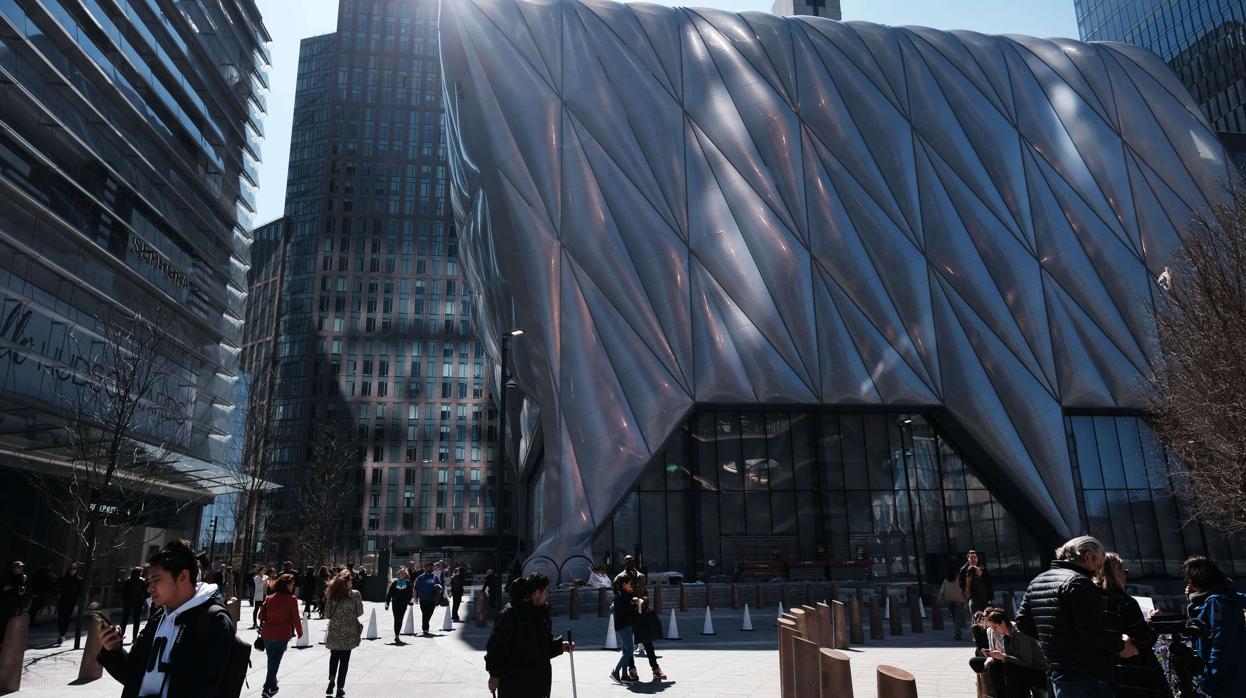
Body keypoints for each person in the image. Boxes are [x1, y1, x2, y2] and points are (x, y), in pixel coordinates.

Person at [96, 539, 235, 698]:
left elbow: (205, 689)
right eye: (149, 581)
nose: (149, 588)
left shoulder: (214, 621)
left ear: (183, 577)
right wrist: (113, 651)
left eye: (156, 580)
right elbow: (133, 676)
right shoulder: (158, 617)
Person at [1016, 536, 1138, 698]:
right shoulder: (1079, 583)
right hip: (1085, 673)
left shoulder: (1037, 581)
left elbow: (1022, 623)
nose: (1097, 572)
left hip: (1057, 671)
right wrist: (1122, 646)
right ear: (1088, 557)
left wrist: (1054, 639)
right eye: (1098, 565)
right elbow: (1090, 631)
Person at [484, 572, 574, 697]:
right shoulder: (510, 614)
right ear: (536, 593)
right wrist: (495, 675)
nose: (547, 595)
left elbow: (543, 646)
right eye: (545, 591)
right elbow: (495, 647)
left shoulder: (541, 613)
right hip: (515, 683)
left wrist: (560, 646)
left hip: (538, 682)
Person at [1092, 552, 1166, 697]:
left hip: (1103, 671)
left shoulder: (1091, 600)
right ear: (1115, 572)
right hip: (1134, 672)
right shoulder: (1124, 602)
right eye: (1123, 570)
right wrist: (1152, 622)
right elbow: (1145, 639)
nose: (1125, 575)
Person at [1183, 555, 1245, 697]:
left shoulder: (1217, 602)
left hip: (1226, 679)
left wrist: (1211, 674)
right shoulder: (1223, 597)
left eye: (1189, 578)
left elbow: (1221, 640)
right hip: (1231, 675)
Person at [970, 607, 1047, 698]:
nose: (993, 630)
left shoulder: (1020, 635)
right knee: (994, 665)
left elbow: (1027, 663)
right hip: (1019, 666)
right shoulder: (1005, 635)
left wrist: (1003, 656)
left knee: (1011, 670)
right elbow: (1009, 657)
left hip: (1036, 670)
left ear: (1002, 623)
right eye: (991, 627)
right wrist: (994, 655)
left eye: (995, 627)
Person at [258, 572, 303, 697]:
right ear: (286, 585)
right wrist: (300, 632)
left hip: (267, 634)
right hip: (281, 634)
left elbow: (260, 616)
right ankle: (266, 688)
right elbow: (296, 618)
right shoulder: (291, 599)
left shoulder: (269, 598)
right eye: (292, 584)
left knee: (271, 661)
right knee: (274, 662)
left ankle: (273, 686)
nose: (293, 586)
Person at [323, 570, 364, 697]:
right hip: (349, 630)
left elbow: (327, 614)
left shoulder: (332, 594)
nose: (352, 581)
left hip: (335, 629)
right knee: (345, 661)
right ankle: (340, 687)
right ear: (346, 582)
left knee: (334, 655)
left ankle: (331, 678)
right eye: (350, 579)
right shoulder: (355, 594)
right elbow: (360, 612)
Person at [610, 575, 642, 683]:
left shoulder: (624, 594)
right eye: (629, 584)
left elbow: (629, 603)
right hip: (623, 626)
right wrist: (635, 604)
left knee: (625, 651)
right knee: (630, 651)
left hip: (626, 625)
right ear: (624, 585)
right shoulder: (619, 596)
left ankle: (624, 675)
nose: (630, 586)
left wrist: (631, 596)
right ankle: (615, 672)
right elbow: (626, 610)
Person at [0, 561, 29, 647]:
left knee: (15, 622)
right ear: (13, 568)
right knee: (4, 622)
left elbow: (27, 588)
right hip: (6, 603)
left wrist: (23, 591)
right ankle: (2, 641)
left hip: (18, 604)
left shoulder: (24, 577)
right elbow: (3, 588)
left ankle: (10, 642)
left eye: (22, 567)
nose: (21, 569)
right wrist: (5, 588)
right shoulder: (9, 577)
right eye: (19, 567)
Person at [958, 550, 994, 617]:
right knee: (976, 617)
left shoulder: (982, 567)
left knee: (987, 617)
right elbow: (961, 584)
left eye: (975, 557)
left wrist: (981, 575)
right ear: (968, 558)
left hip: (984, 597)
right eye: (971, 557)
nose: (973, 559)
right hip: (973, 598)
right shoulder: (964, 569)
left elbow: (988, 583)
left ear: (977, 559)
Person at [54, 561, 83, 644]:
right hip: (62, 600)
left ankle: (62, 634)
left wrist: (79, 598)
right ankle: (61, 634)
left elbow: (81, 591)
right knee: (61, 617)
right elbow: (54, 586)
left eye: (74, 569)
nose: (72, 570)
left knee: (67, 618)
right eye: (71, 569)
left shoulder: (79, 580)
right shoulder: (63, 578)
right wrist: (57, 593)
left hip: (71, 602)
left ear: (76, 570)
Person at [412, 562, 442, 636]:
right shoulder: (420, 577)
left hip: (433, 600)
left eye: (431, 567)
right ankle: (425, 629)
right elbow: (415, 589)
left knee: (429, 614)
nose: (430, 568)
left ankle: (425, 627)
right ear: (425, 568)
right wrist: (415, 598)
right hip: (423, 600)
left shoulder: (435, 577)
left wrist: (440, 597)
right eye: (428, 567)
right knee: (425, 614)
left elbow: (440, 588)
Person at [939, 565, 967, 641]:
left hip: (949, 601)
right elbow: (964, 590)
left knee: (955, 617)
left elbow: (942, 591)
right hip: (959, 600)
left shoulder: (946, 581)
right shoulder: (959, 580)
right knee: (957, 617)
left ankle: (958, 631)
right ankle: (957, 633)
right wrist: (966, 598)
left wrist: (940, 599)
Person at [120, 567, 148, 644]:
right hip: (138, 602)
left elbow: (122, 592)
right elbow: (146, 593)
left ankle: (120, 637)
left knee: (124, 620)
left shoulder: (128, 581)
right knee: (136, 620)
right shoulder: (142, 581)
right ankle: (134, 638)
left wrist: (125, 600)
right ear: (140, 573)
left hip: (127, 602)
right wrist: (142, 599)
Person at [384, 568, 412, 643]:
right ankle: (396, 635)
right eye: (401, 573)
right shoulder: (394, 583)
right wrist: (387, 604)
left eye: (403, 573)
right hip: (395, 604)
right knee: (396, 619)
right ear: (398, 574)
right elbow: (389, 594)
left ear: (405, 575)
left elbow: (410, 593)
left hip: (403, 604)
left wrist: (410, 601)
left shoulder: (407, 583)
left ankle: (397, 634)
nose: (402, 574)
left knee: (400, 619)